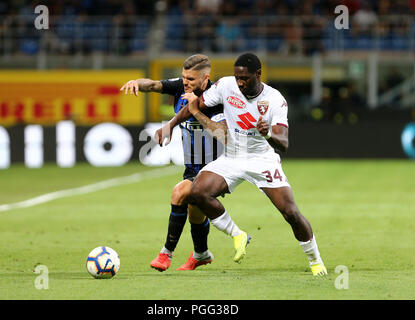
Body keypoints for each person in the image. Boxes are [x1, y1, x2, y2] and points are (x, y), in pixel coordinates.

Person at [177, 53, 327, 276]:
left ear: (258, 74)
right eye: (237, 77)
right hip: (232, 157)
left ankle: (315, 260)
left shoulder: (275, 100)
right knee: (198, 192)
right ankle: (238, 234)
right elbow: (195, 105)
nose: (240, 82)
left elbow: (284, 143)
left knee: (290, 213)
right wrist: (170, 125)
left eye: (245, 78)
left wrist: (267, 134)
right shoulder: (227, 85)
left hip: (261, 160)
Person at [120, 54, 224, 271]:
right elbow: (153, 85)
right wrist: (136, 83)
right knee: (194, 212)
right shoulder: (180, 87)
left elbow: (222, 134)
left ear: (206, 79)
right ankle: (202, 254)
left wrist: (196, 112)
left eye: (192, 80)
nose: (186, 82)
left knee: (179, 193)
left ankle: (165, 254)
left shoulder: (217, 97)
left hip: (217, 167)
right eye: (184, 77)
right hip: (193, 167)